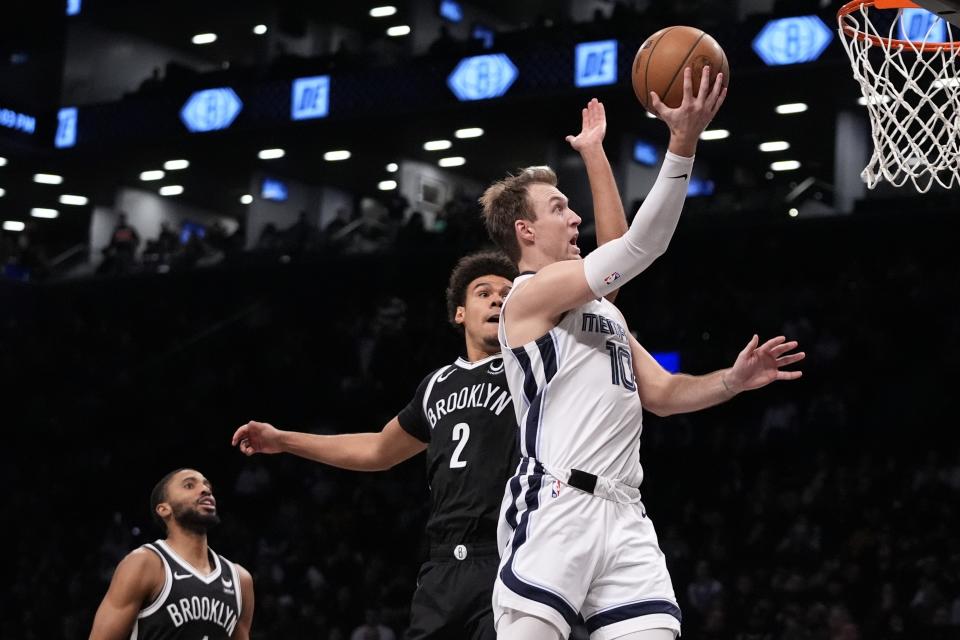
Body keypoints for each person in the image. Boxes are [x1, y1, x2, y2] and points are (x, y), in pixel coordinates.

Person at [230, 98, 633, 639]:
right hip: (443, 565)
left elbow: (615, 259)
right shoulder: (439, 385)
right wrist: (286, 439)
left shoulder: (541, 353)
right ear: (459, 313)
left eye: (506, 291)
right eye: (483, 293)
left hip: (524, 546)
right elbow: (377, 450)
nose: (498, 300)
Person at [480, 67, 804, 640]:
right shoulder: (528, 299)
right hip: (556, 502)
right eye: (559, 208)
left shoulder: (605, 315)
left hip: (626, 512)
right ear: (525, 231)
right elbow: (637, 246)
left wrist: (731, 380)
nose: (574, 215)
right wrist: (682, 143)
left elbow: (662, 394)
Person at [88, 468, 255, 639]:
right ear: (164, 509)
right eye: (189, 485)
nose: (205, 490)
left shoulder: (240, 580)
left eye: (207, 487)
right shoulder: (145, 564)